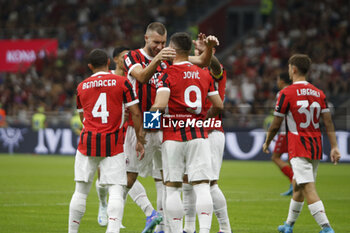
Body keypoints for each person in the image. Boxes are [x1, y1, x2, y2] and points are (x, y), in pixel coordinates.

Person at [124, 22, 215, 233]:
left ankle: (164, 228)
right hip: (139, 124)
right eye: (156, 42)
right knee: (128, 178)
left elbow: (201, 61)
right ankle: (114, 219)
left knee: (165, 181)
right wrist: (142, 131)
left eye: (164, 43)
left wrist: (208, 48)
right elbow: (142, 77)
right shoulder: (133, 56)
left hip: (165, 128)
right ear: (146, 38)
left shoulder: (170, 59)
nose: (160, 46)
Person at [151, 32, 223, 233]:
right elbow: (218, 105)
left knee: (173, 187)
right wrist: (203, 120)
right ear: (189, 50)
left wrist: (148, 125)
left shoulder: (167, 74)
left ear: (172, 50)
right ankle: (205, 231)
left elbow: (160, 105)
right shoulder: (203, 73)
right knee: (202, 186)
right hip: (199, 135)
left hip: (173, 136)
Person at [68, 49, 145, 233]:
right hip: (114, 144)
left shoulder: (81, 86)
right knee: (116, 190)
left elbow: (82, 117)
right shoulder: (123, 82)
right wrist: (140, 139)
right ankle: (112, 230)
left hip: (87, 142)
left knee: (80, 191)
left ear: (90, 66)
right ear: (109, 62)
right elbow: (135, 112)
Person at [263, 54, 341, 233]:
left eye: (290, 67)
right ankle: (288, 226)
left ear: (294, 69)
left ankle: (327, 228)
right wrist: (335, 146)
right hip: (315, 146)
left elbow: (276, 123)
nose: (289, 71)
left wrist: (267, 141)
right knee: (297, 185)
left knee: (307, 187)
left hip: (299, 146)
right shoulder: (319, 93)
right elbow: (328, 122)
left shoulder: (286, 93)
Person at [182, 33, 232, 233]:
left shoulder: (215, 72)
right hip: (191, 133)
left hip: (211, 132)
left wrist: (207, 50)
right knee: (187, 180)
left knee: (209, 183)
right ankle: (188, 228)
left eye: (203, 53)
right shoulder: (191, 74)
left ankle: (225, 228)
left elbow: (217, 67)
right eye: (196, 52)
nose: (199, 55)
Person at [270, 72, 294, 196]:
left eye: (278, 79)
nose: (277, 82)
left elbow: (279, 115)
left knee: (275, 157)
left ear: (282, 81)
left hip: (286, 131)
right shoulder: (294, 91)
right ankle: (294, 184)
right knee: (292, 160)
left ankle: (294, 180)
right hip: (296, 131)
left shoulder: (281, 93)